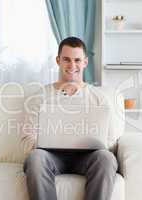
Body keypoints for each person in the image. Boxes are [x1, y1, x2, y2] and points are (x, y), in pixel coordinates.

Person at [21, 37, 118, 200]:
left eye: (77, 60)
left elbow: (111, 140)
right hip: (51, 157)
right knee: (35, 158)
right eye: (66, 59)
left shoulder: (99, 99)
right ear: (58, 60)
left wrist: (97, 143)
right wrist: (46, 141)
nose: (72, 66)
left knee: (106, 158)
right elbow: (26, 139)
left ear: (85, 62)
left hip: (88, 158)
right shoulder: (40, 97)